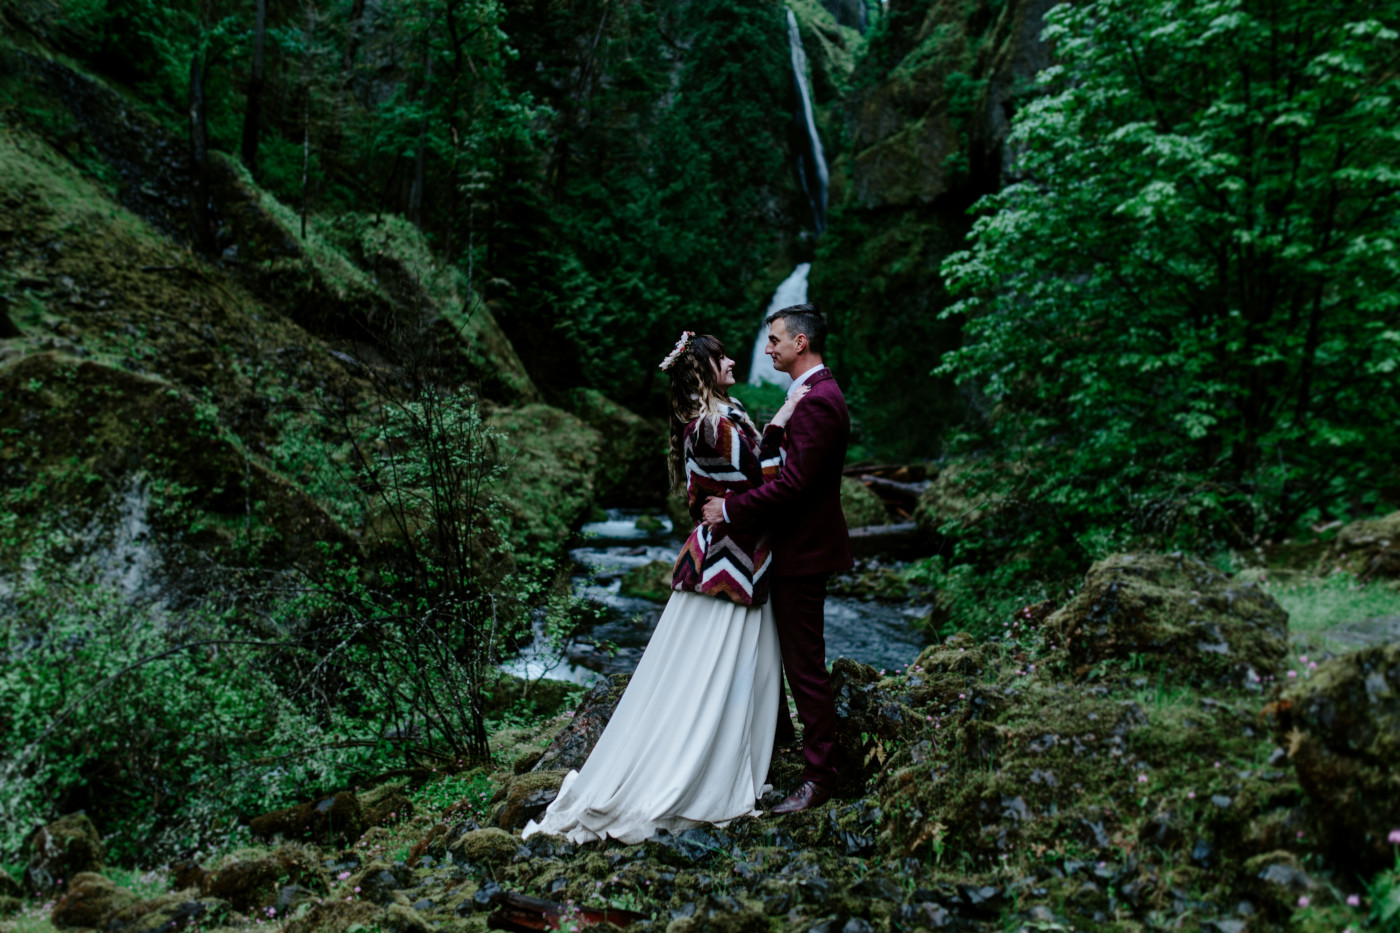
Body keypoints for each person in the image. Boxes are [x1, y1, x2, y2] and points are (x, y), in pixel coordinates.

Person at [522, 332, 809, 844]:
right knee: (712, 670)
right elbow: (763, 480)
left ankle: (730, 755)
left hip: (734, 558)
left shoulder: (722, 415)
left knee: (724, 668)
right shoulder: (709, 426)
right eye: (721, 357)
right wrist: (781, 424)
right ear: (701, 369)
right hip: (729, 563)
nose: (732, 361)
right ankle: (697, 766)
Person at [701, 303, 851, 815]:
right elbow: (782, 468)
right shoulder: (806, 398)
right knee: (780, 658)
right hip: (790, 549)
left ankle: (820, 776)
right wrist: (776, 426)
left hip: (802, 552)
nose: (767, 349)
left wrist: (730, 509)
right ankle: (781, 749)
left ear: (800, 344)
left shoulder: (819, 401)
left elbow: (793, 485)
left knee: (805, 666)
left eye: (775, 340)